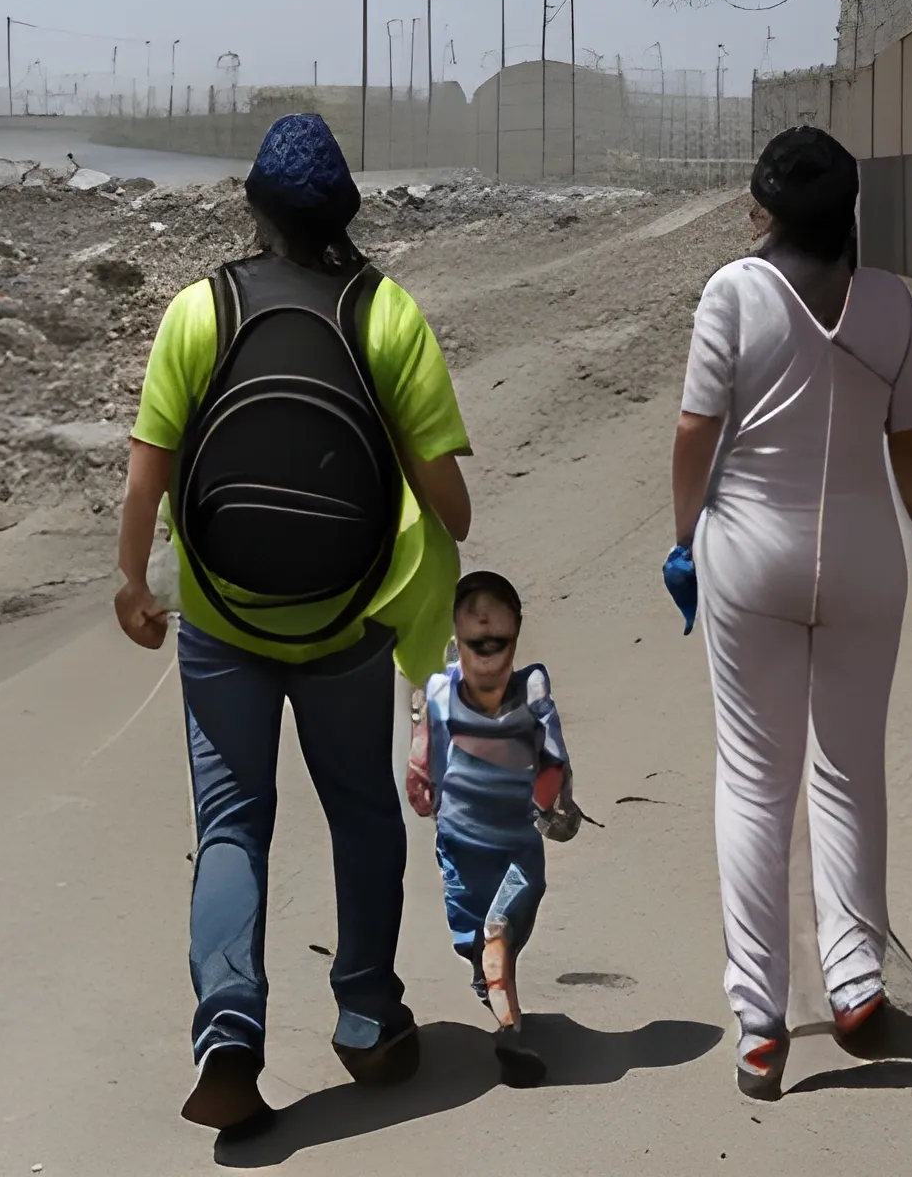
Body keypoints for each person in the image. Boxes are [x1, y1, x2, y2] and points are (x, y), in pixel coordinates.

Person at [113, 113, 472, 1134]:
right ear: (342, 214)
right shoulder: (385, 312)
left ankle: (228, 1031)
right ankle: (364, 1011)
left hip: (220, 617)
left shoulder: (200, 309)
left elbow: (146, 475)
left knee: (230, 821)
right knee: (360, 809)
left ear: (252, 209)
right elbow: (449, 507)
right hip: (344, 620)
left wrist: (129, 580)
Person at [668, 125, 912, 1101]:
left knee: (754, 781)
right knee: (845, 768)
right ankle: (851, 977)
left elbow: (692, 432)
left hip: (746, 556)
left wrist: (681, 539)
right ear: (847, 211)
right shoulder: (887, 301)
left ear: (763, 210)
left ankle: (759, 1024)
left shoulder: (731, 293)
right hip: (860, 560)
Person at [407, 571, 580, 1088]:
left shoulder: (517, 690)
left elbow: (551, 764)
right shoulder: (450, 692)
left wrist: (554, 809)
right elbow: (422, 772)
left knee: (495, 935)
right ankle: (500, 1002)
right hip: (473, 849)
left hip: (497, 850)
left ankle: (509, 1029)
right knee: (482, 942)